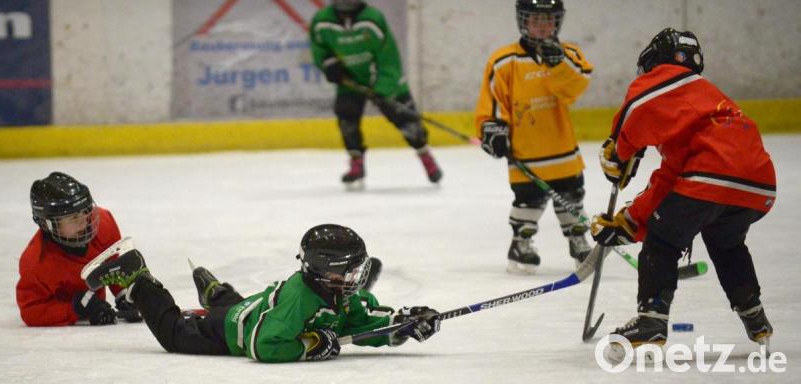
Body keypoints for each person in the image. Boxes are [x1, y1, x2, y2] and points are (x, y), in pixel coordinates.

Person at [590, 28, 776, 359]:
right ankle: (754, 316)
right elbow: (669, 184)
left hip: (710, 176)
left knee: (662, 241)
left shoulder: (667, 78)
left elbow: (636, 108)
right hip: (757, 184)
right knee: (726, 242)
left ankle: (651, 322)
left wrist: (618, 151)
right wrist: (629, 222)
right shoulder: (703, 109)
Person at [82, 224, 441, 362]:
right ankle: (138, 276)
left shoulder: (339, 292)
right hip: (231, 331)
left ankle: (217, 291)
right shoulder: (300, 300)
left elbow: (360, 322)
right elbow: (263, 345)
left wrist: (400, 324)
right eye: (350, 268)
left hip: (254, 308)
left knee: (242, 306)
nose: (358, 275)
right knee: (174, 333)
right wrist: (311, 345)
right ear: (326, 272)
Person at [475, 0, 594, 274]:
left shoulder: (570, 54)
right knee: (527, 201)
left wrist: (559, 64)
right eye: (535, 19)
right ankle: (521, 242)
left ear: (558, 21)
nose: (542, 26)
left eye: (548, 19)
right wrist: (492, 129)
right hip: (525, 152)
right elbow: (492, 103)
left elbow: (575, 88)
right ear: (523, 20)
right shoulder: (505, 61)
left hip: (563, 150)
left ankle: (577, 239)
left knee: (572, 197)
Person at [310, 0, 443, 189]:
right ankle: (356, 162)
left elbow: (388, 58)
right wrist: (328, 63)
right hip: (350, 80)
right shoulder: (322, 20)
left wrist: (383, 88)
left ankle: (425, 155)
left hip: (383, 78)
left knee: (407, 120)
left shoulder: (372, 19)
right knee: (346, 117)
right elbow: (318, 47)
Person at [16, 172, 141, 326]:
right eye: (73, 217)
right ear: (47, 224)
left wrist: (124, 294)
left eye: (84, 211)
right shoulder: (36, 263)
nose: (83, 222)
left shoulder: (104, 224)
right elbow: (31, 311)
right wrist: (74, 309)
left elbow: (113, 265)